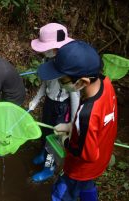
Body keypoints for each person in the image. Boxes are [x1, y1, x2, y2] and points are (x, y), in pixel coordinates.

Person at [37, 40, 117, 201]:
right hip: (102, 157)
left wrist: (65, 139)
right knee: (87, 186)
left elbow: (86, 155)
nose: (59, 83)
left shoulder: (85, 115)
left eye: (62, 80)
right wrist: (72, 126)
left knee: (60, 194)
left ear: (82, 82)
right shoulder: (106, 84)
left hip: (80, 169)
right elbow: (97, 125)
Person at [29, 23, 80, 182]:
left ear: (56, 47)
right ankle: (42, 154)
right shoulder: (48, 59)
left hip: (62, 107)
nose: (44, 50)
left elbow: (75, 95)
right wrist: (35, 101)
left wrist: (72, 123)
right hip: (49, 104)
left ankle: (49, 168)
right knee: (45, 132)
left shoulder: (69, 65)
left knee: (54, 139)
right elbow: (45, 83)